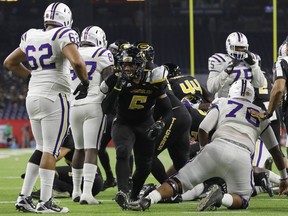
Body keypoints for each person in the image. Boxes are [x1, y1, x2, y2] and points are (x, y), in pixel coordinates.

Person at [128, 79, 288, 212]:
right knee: (243, 199)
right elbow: (276, 152)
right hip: (243, 155)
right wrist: (284, 177)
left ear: (232, 91)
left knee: (177, 181)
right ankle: (221, 198)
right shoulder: (261, 113)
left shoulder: (222, 102)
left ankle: (148, 200)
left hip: (216, 147)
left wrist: (205, 152)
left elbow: (204, 128)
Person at [3, 2, 89, 213]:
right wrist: (85, 83)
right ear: (66, 19)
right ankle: (45, 201)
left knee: (41, 148)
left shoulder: (31, 35)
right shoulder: (64, 34)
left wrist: (32, 75)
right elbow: (77, 63)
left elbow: (10, 62)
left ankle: (24, 197)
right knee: (51, 149)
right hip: (55, 95)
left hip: (33, 95)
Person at [100, 45, 173, 209]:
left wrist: (160, 124)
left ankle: (133, 196)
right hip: (123, 122)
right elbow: (105, 109)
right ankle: (123, 192)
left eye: (131, 65)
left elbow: (168, 110)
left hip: (145, 123)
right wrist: (118, 87)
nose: (127, 68)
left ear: (141, 65)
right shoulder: (117, 77)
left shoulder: (153, 78)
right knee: (122, 151)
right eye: (125, 65)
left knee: (145, 164)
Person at [70, 25, 114, 205]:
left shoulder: (73, 51)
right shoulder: (102, 52)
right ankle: (87, 193)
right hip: (93, 104)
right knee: (91, 149)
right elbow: (109, 78)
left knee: (78, 149)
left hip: (74, 105)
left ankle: (75, 191)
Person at [98, 39, 131, 191]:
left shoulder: (131, 70)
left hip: (124, 114)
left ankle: (128, 180)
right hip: (110, 112)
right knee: (99, 147)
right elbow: (103, 89)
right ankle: (110, 177)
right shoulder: (112, 70)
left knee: (125, 148)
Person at [207, 32, 265, 98]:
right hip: (224, 102)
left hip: (245, 101)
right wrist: (227, 71)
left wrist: (254, 65)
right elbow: (211, 88)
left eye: (242, 48)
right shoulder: (220, 60)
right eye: (237, 48)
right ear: (229, 46)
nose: (240, 51)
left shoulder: (251, 59)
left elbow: (260, 84)